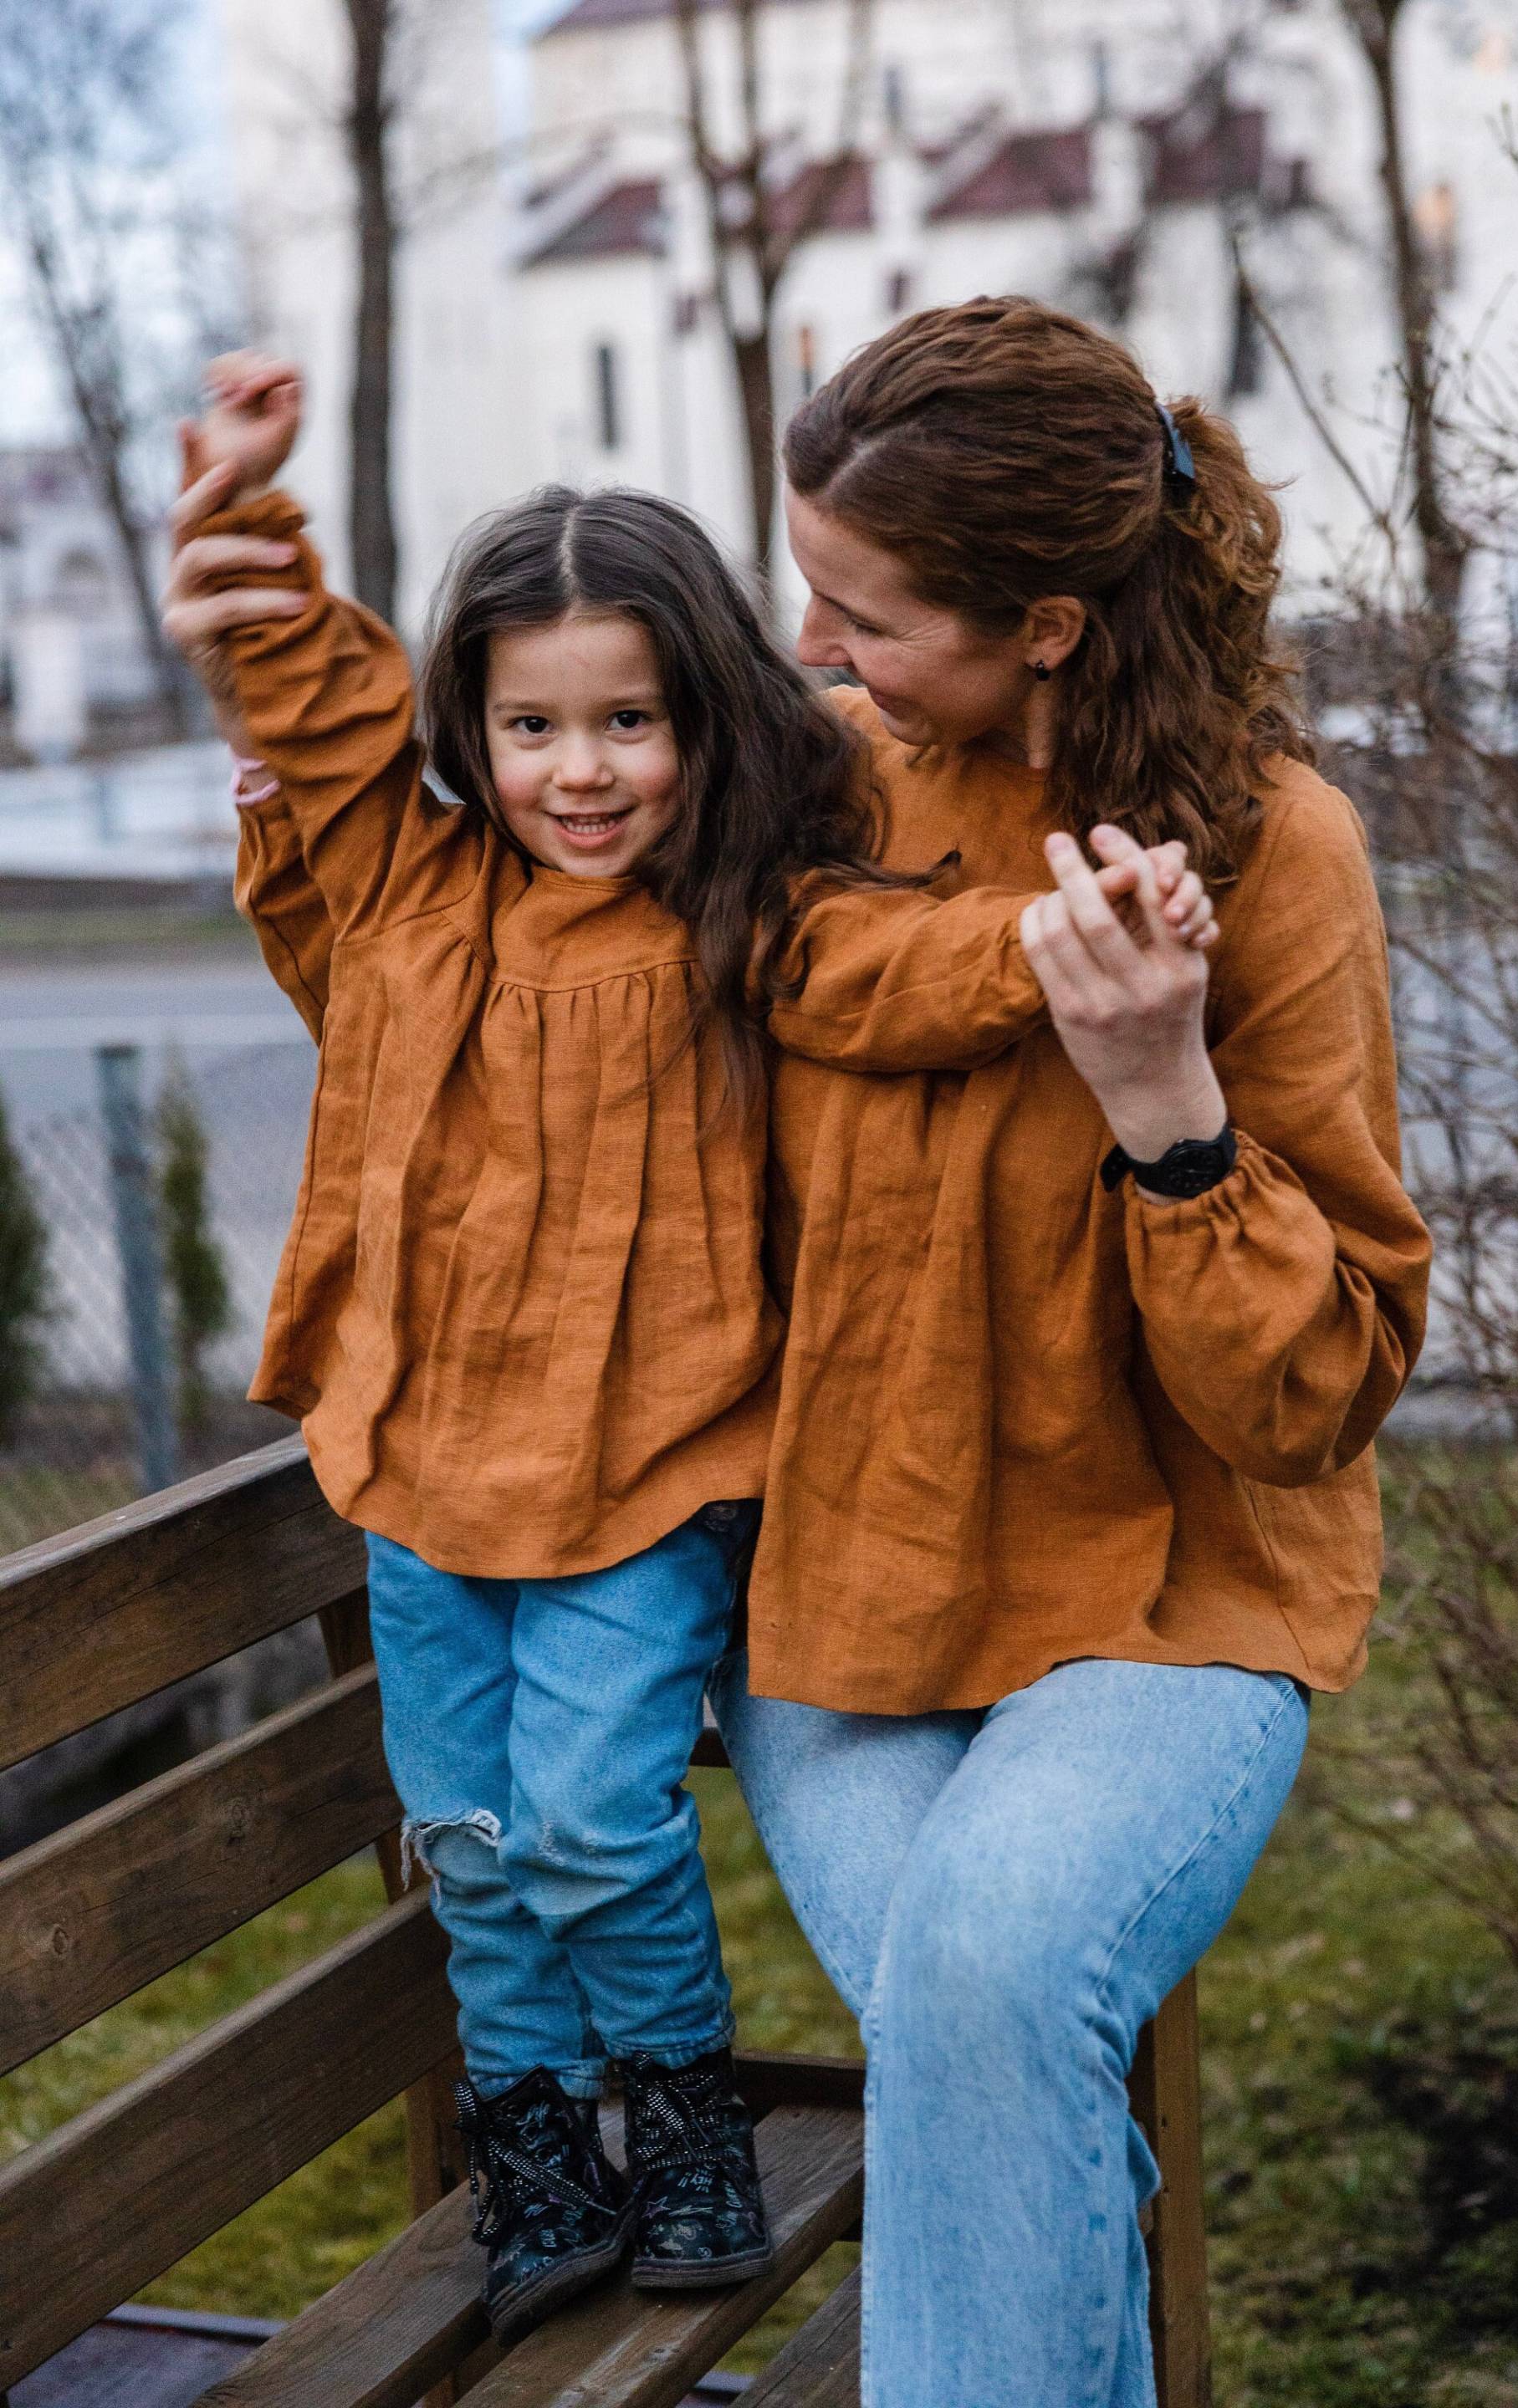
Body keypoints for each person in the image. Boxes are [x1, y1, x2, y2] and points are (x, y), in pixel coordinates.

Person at [162, 348, 1219, 2367]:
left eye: (628, 721)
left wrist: (1058, 945)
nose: (580, 769)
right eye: (534, 723)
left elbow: (909, 973)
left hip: (644, 1478)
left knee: (586, 1819)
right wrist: (240, 511)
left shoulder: (741, 919)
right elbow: (302, 691)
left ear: (696, 722)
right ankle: (545, 2143)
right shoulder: (405, 884)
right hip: (420, 1474)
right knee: (465, 1836)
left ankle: (687, 2111)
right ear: (468, 727)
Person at [688, 298, 1434, 2408]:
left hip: (1178, 1606)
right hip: (850, 1602)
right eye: (805, 590)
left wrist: (1165, 1114)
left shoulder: (1275, 852)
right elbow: (501, 970)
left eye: (867, 614)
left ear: (1047, 624)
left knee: (996, 1976)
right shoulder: (815, 789)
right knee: (1002, 2058)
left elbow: (1317, 1394)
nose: (816, 647)